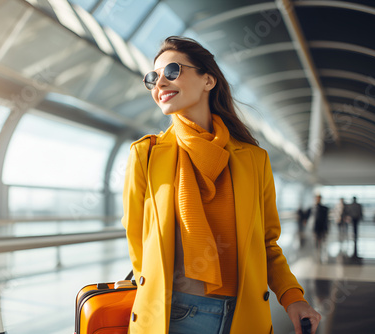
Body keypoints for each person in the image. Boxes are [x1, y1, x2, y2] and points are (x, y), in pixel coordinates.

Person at [121, 36, 320, 334]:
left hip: (243, 315)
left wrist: (293, 297)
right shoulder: (146, 155)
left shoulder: (253, 159)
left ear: (208, 80)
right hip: (172, 316)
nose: (159, 83)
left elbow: (266, 243)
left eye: (172, 71)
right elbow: (138, 243)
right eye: (153, 78)